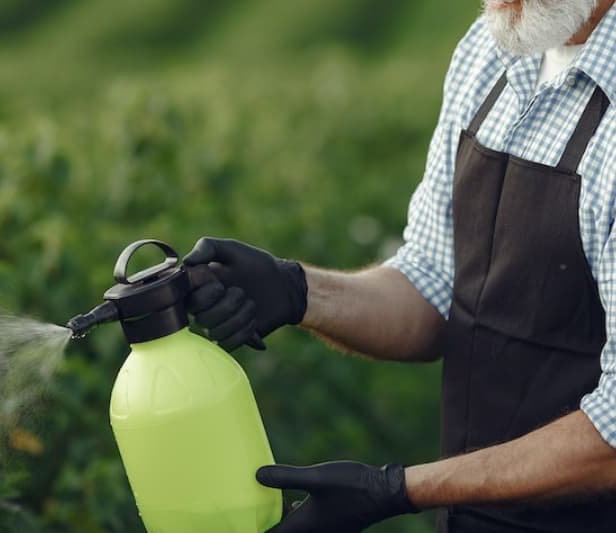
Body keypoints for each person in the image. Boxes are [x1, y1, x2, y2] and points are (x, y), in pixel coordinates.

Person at [184, 0, 616, 531]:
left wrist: (395, 490)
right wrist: (295, 289)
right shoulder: (492, 51)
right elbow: (435, 284)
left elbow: (611, 441)